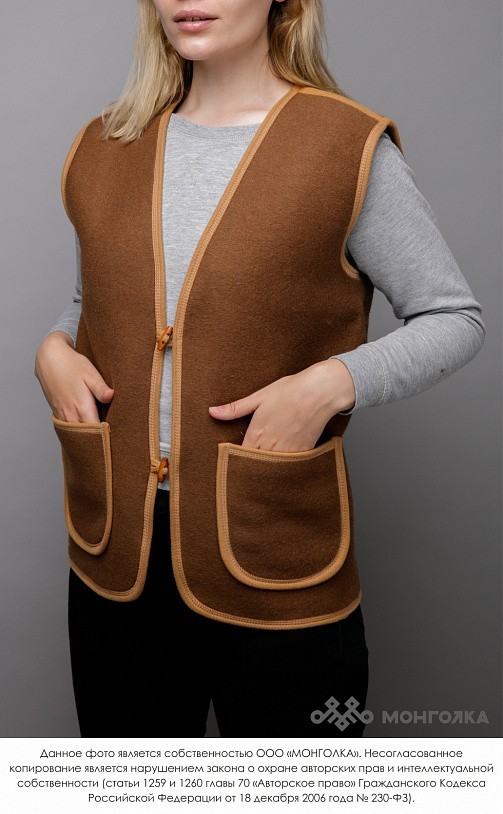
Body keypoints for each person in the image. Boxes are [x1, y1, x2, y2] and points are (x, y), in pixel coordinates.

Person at [34, 0, 485, 738]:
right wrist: (53, 348)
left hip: (274, 556)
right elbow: (97, 300)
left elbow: (452, 317)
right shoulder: (104, 143)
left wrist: (330, 384)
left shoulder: (344, 146)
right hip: (116, 558)